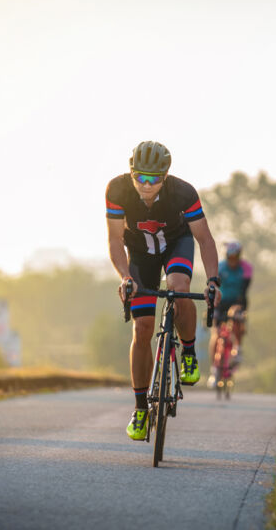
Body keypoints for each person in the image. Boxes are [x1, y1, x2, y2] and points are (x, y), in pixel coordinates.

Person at [106, 140, 221, 441]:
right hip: (140, 256)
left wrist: (212, 281)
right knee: (142, 328)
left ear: (165, 176)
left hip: (176, 245)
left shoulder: (183, 193)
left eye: (154, 178)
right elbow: (115, 241)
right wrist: (124, 277)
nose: (146, 185)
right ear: (131, 173)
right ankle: (141, 408)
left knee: (179, 286)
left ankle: (189, 352)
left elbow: (205, 240)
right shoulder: (116, 190)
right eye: (140, 177)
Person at [208, 241, 252, 383]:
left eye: (235, 258)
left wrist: (240, 308)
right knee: (216, 332)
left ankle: (237, 348)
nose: (232, 261)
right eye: (230, 258)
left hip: (237, 300)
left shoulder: (246, 268)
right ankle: (214, 368)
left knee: (237, 318)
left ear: (239, 256)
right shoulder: (220, 267)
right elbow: (213, 288)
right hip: (220, 302)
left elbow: (245, 289)